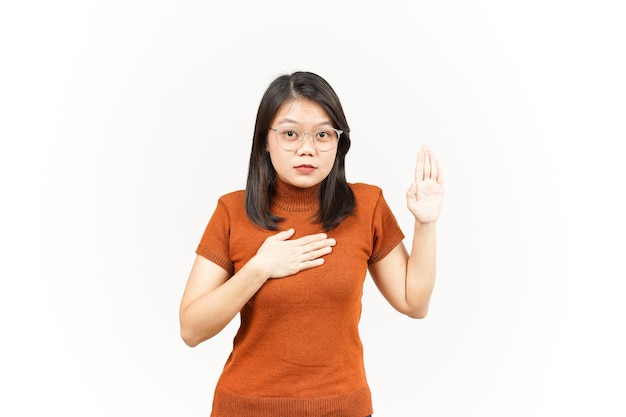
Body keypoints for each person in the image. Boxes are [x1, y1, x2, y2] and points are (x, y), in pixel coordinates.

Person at [179, 71, 444, 417]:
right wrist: (259, 269)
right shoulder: (232, 211)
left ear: (339, 141)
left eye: (322, 135)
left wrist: (425, 224)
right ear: (265, 140)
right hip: (245, 408)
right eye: (290, 134)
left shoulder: (367, 206)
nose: (307, 148)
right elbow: (191, 329)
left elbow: (414, 303)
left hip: (343, 408)